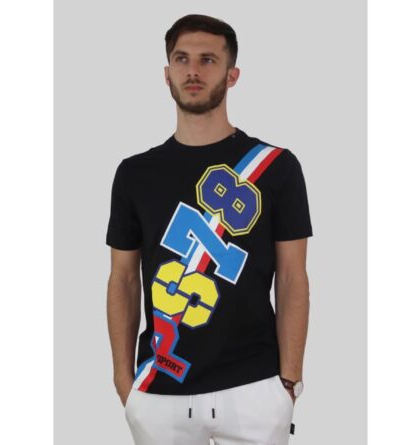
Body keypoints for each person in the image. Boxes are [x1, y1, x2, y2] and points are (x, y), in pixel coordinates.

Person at [106, 13, 313, 445]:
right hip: (159, 390)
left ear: (232, 75)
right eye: (181, 59)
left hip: (255, 387)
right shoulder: (134, 174)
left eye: (208, 60)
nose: (193, 71)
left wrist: (289, 380)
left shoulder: (277, 167)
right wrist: (124, 382)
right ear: (167, 74)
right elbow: (122, 279)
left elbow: (293, 277)